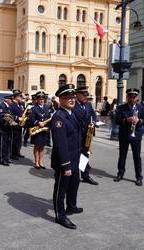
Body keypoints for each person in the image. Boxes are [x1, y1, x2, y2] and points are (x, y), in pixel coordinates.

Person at [51, 84, 82, 230]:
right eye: (67, 97)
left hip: (76, 158)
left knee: (74, 184)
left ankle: (71, 206)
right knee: (61, 189)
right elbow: (60, 144)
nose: (71, 99)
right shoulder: (59, 117)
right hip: (66, 161)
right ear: (60, 100)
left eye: (73, 97)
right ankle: (60, 216)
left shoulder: (71, 113)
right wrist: (66, 165)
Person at [114, 88, 144, 186]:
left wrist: (139, 121)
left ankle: (139, 177)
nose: (132, 98)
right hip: (124, 135)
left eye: (134, 97)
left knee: (137, 157)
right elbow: (117, 120)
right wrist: (127, 120)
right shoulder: (121, 107)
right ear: (127, 97)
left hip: (136, 135)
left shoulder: (141, 108)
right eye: (130, 96)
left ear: (137, 97)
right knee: (122, 156)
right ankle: (120, 173)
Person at [72, 87, 98, 185]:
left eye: (86, 95)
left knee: (85, 155)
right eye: (83, 94)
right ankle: (75, 176)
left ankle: (85, 176)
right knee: (75, 156)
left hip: (87, 135)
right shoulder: (73, 105)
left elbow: (93, 115)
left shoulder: (88, 104)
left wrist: (93, 122)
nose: (85, 97)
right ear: (77, 95)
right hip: (76, 135)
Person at [30, 91, 51, 169]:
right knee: (36, 146)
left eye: (43, 99)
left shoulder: (46, 108)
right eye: (40, 99)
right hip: (37, 129)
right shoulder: (34, 108)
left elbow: (48, 118)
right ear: (37, 100)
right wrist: (38, 122)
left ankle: (41, 162)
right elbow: (31, 119)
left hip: (44, 130)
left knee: (42, 147)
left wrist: (48, 126)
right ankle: (36, 162)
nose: (41, 100)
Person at [0, 95, 13, 166]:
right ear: (6, 99)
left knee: (8, 144)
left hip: (8, 128)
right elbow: (0, 118)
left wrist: (11, 121)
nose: (12, 101)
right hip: (3, 129)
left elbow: (9, 116)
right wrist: (8, 121)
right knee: (3, 144)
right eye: (10, 99)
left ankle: (7, 158)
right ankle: (2, 159)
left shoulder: (8, 107)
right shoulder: (2, 106)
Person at [10, 90, 25, 159]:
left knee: (19, 139)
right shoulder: (12, 104)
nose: (21, 98)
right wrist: (17, 118)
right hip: (14, 124)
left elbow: (23, 112)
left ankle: (17, 152)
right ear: (16, 97)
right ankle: (13, 154)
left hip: (20, 125)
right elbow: (10, 115)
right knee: (15, 140)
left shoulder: (20, 104)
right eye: (20, 96)